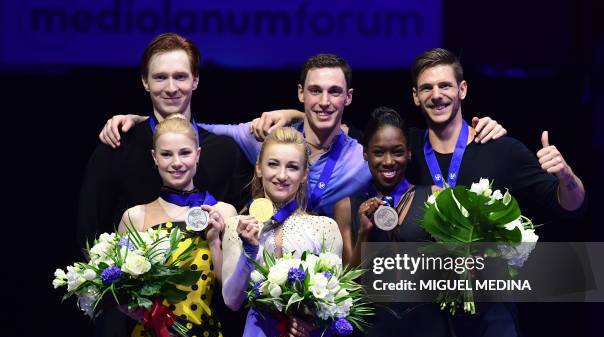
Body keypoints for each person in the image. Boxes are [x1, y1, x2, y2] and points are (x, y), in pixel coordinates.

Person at [97, 54, 507, 217]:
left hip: (340, 294)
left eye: (333, 92)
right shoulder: (265, 136)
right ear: (300, 93)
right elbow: (196, 128)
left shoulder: (364, 153)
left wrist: (484, 127)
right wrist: (140, 116)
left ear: (348, 97)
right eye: (314, 91)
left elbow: (411, 151)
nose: (323, 101)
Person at [78, 33, 251, 337]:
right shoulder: (117, 146)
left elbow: (244, 248)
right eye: (160, 78)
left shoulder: (223, 152)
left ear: (196, 80)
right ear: (144, 81)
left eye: (180, 76)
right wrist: (123, 303)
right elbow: (90, 235)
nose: (171, 87)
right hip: (127, 326)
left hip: (204, 329)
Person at [406, 48, 586, 337]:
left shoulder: (500, 149)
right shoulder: (404, 150)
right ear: (415, 96)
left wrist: (566, 175)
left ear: (463, 90)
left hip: (492, 314)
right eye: (426, 88)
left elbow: (571, 204)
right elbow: (340, 130)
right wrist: (291, 113)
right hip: (428, 321)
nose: (436, 94)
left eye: (445, 85)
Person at [334, 107, 458, 337]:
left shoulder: (436, 197)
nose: (388, 162)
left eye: (397, 152)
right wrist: (364, 233)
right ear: (365, 154)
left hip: (428, 335)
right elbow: (347, 283)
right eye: (378, 152)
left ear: (409, 153)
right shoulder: (347, 207)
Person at [115, 114, 235, 337]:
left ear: (198, 154)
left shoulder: (223, 212)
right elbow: (118, 290)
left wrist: (215, 241)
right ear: (154, 157)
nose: (176, 162)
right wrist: (144, 315)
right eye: (166, 154)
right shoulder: (135, 216)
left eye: (184, 152)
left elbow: (229, 290)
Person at [221, 127, 344, 337]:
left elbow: (336, 303)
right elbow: (231, 300)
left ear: (303, 175)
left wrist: (312, 324)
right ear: (259, 168)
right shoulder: (236, 226)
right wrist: (249, 250)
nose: (281, 175)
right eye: (273, 164)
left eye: (292, 167)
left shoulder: (325, 228)